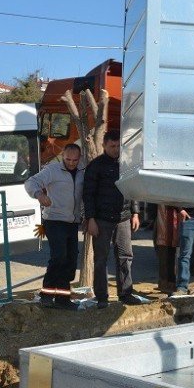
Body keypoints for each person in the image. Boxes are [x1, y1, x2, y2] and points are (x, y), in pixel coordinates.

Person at [82, 131, 143, 308]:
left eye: (118, 146)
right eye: (112, 146)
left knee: (125, 256)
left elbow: (133, 189)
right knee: (101, 259)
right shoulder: (95, 166)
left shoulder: (127, 163)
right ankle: (102, 297)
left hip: (123, 217)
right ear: (104, 146)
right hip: (101, 219)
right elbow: (88, 194)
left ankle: (126, 293)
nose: (116, 150)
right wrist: (90, 219)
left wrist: (136, 212)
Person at [25, 144, 84, 309]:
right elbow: (31, 182)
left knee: (70, 261)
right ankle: (46, 295)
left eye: (75, 160)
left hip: (72, 222)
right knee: (59, 257)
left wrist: (86, 216)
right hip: (54, 220)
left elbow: (83, 196)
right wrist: (39, 194)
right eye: (68, 159)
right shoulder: (52, 170)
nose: (71, 163)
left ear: (79, 158)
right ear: (62, 156)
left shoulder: (82, 172)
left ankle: (63, 299)